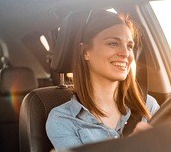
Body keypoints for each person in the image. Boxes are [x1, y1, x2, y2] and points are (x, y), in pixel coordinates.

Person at [46, 9, 160, 151]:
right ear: (85, 52)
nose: (125, 53)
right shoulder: (62, 119)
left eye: (130, 46)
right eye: (113, 43)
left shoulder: (148, 106)